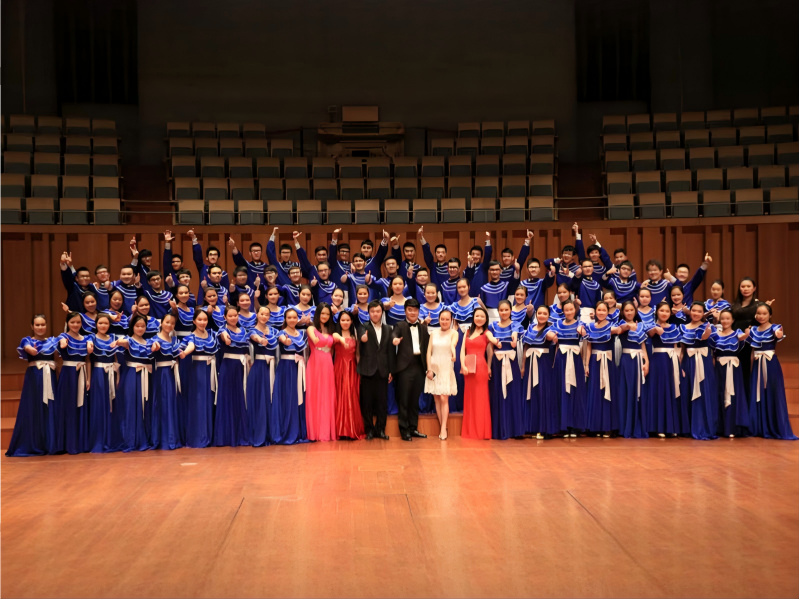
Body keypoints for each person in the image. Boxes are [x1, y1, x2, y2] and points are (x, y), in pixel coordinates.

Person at [6, 315, 58, 457]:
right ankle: (34, 443)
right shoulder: (27, 340)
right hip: (35, 377)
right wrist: (31, 350)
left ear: (46, 325)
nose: (40, 327)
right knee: (34, 408)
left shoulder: (52, 341)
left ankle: (50, 443)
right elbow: (29, 349)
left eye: (43, 324)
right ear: (32, 326)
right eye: (37, 325)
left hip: (50, 376)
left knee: (50, 407)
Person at [747, 303, 796, 440]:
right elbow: (751, 350)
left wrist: (778, 335)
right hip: (757, 364)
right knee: (757, 393)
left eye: (764, 313)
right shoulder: (753, 330)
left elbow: (779, 335)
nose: (761, 316)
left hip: (770, 364)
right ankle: (758, 427)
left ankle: (775, 426)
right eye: (759, 313)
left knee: (772, 393)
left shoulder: (776, 327)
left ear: (770, 315)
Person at [109, 315, 152, 452]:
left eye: (143, 326)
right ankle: (131, 439)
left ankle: (143, 437)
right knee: (131, 406)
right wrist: (117, 342)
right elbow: (123, 342)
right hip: (132, 376)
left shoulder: (148, 342)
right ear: (132, 327)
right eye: (137, 326)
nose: (140, 328)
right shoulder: (129, 340)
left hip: (146, 375)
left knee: (144, 406)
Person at [178, 309, 218, 448]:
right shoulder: (191, 337)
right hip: (197, 371)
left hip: (210, 369)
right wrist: (185, 353)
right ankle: (198, 436)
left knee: (209, 401)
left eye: (205, 319)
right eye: (199, 320)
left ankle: (209, 435)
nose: (202, 322)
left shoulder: (212, 334)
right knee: (199, 401)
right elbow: (190, 347)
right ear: (194, 321)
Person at [53, 312, 92, 454]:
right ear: (67, 323)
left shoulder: (86, 338)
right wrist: (63, 344)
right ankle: (67, 443)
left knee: (81, 406)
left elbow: (87, 360)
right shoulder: (62, 337)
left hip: (82, 373)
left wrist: (88, 379)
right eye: (72, 322)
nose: (75, 325)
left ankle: (80, 443)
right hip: (68, 374)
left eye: (78, 322)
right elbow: (58, 353)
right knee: (68, 407)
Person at [392, 299, 430, 441]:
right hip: (404, 368)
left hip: (419, 366)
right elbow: (394, 334)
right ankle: (404, 430)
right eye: (410, 310)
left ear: (419, 311)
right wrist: (395, 340)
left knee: (415, 399)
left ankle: (413, 428)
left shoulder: (423, 328)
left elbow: (428, 347)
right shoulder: (400, 325)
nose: (413, 312)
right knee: (404, 399)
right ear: (405, 311)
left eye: (415, 310)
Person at [486, 300, 525, 440]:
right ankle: (500, 430)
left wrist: (514, 335)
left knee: (513, 394)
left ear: (511, 311)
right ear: (498, 311)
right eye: (501, 310)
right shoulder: (492, 326)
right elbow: (490, 347)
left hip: (512, 363)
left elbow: (516, 332)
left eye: (506, 310)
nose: (503, 312)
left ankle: (515, 430)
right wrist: (488, 366)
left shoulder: (516, 325)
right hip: (497, 364)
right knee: (498, 395)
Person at [709, 309, 750, 438]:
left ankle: (732, 427)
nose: (725, 321)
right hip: (719, 368)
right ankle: (719, 427)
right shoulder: (715, 334)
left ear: (733, 320)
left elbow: (742, 337)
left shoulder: (737, 333)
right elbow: (712, 353)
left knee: (733, 395)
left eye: (728, 318)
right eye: (723, 318)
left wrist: (746, 335)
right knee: (718, 394)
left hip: (733, 368)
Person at [680, 303, 718, 440]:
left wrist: (706, 335)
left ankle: (704, 427)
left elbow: (714, 348)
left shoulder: (709, 327)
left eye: (699, 311)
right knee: (687, 391)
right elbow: (682, 350)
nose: (696, 313)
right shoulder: (683, 327)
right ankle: (688, 427)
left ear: (703, 313)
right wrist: (680, 366)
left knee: (704, 391)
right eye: (694, 310)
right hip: (688, 362)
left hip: (704, 362)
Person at [357, 300, 394, 440]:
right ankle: (369, 430)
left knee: (382, 403)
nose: (375, 314)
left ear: (382, 312)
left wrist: (390, 370)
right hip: (367, 370)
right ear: (368, 313)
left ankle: (380, 430)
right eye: (372, 311)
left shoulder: (388, 329)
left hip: (383, 370)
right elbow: (361, 338)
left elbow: (390, 352)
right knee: (366, 403)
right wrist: (363, 338)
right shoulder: (363, 327)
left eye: (378, 311)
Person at [584, 301, 621, 437]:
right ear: (595, 311)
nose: (601, 312)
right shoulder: (590, 326)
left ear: (607, 312)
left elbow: (622, 329)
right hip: (594, 361)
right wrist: (586, 364)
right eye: (599, 310)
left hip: (608, 361)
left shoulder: (612, 326)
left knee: (608, 391)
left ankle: (608, 426)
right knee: (594, 392)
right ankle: (594, 426)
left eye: (604, 310)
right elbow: (589, 347)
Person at [215, 305, 251, 447]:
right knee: (227, 398)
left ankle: (240, 433)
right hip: (228, 366)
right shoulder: (223, 330)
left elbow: (247, 350)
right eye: (230, 316)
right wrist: (226, 339)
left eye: (235, 315)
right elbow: (223, 336)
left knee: (240, 397)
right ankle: (226, 436)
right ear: (225, 317)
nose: (233, 318)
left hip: (241, 366)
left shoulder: (243, 331)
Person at [646, 302, 684, 438]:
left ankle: (671, 426)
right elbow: (650, 334)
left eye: (667, 311)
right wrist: (656, 329)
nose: (664, 313)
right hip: (658, 361)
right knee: (660, 391)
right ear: (657, 312)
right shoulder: (652, 326)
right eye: (661, 310)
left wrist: (680, 366)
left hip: (671, 361)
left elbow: (677, 347)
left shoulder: (674, 327)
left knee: (672, 390)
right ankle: (659, 426)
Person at [272, 308, 308, 444]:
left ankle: (298, 430)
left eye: (294, 317)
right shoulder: (282, 333)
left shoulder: (302, 333)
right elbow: (282, 339)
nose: (292, 320)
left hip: (298, 367)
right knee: (287, 398)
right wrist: (285, 341)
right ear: (285, 319)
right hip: (286, 368)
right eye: (289, 318)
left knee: (298, 397)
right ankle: (287, 430)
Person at [521, 306, 557, 439]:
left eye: (544, 313)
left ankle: (543, 427)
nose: (541, 315)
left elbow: (553, 338)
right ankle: (529, 426)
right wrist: (523, 366)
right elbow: (526, 347)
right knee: (530, 393)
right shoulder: (531, 328)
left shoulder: (550, 329)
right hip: (530, 362)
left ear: (548, 315)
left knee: (542, 393)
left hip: (543, 363)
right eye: (539, 313)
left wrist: (553, 337)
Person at [551, 300, 586, 437]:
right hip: (561, 359)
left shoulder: (580, 323)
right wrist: (552, 337)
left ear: (575, 310)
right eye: (566, 310)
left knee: (576, 391)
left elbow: (586, 337)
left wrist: (582, 331)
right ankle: (563, 425)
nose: (569, 312)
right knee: (561, 390)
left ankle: (575, 425)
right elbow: (550, 336)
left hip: (576, 359)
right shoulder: (557, 324)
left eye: (571, 309)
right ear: (563, 311)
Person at [85, 313, 118, 453]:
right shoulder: (91, 338)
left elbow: (116, 359)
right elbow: (87, 360)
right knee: (99, 405)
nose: (103, 326)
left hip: (111, 373)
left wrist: (118, 377)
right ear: (96, 324)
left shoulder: (113, 338)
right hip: (98, 373)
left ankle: (110, 439)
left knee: (111, 406)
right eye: (100, 323)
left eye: (106, 323)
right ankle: (98, 440)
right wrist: (88, 379)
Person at [150, 313, 183, 450]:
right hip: (161, 374)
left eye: (172, 323)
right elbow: (150, 352)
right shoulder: (154, 339)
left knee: (172, 402)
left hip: (172, 372)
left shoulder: (174, 340)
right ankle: (163, 438)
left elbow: (178, 356)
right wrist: (154, 348)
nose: (170, 325)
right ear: (161, 323)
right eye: (167, 322)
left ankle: (172, 436)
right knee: (162, 402)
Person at [617, 301, 649, 439]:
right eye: (626, 310)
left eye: (631, 310)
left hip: (639, 360)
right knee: (627, 391)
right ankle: (626, 426)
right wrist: (628, 326)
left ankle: (638, 425)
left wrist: (646, 361)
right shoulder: (621, 324)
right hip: (627, 360)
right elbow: (621, 329)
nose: (629, 312)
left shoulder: (641, 325)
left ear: (635, 311)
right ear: (623, 312)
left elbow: (643, 345)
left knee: (639, 392)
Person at [425, 309, 459, 440]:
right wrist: (429, 369)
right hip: (434, 367)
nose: (444, 321)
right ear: (439, 319)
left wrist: (454, 354)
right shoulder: (433, 333)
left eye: (447, 319)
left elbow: (453, 345)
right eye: (442, 319)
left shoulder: (454, 333)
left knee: (444, 398)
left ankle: (443, 427)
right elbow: (429, 352)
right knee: (437, 399)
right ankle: (442, 426)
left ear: (451, 320)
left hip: (446, 367)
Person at [460, 308, 493, 440]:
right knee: (469, 398)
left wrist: (489, 367)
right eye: (477, 316)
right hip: (468, 368)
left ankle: (481, 431)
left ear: (486, 319)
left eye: (482, 316)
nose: (479, 318)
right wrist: (463, 365)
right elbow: (462, 350)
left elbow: (490, 352)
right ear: (473, 317)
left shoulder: (487, 333)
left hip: (481, 368)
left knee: (481, 398)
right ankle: (470, 430)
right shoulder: (467, 332)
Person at [305, 304, 337, 442]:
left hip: (328, 363)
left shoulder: (331, 330)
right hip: (315, 363)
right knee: (315, 395)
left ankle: (326, 430)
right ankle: (315, 432)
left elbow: (333, 349)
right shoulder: (311, 328)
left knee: (327, 395)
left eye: (327, 314)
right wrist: (317, 339)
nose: (325, 316)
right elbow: (314, 339)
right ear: (318, 314)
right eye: (322, 313)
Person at [248, 305, 278, 447]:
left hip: (272, 366)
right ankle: (259, 432)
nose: (264, 316)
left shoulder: (274, 331)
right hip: (259, 367)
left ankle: (271, 432)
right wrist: (260, 340)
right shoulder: (252, 330)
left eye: (267, 314)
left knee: (271, 398)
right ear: (257, 315)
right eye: (262, 314)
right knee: (260, 399)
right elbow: (254, 337)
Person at [333, 310, 365, 440]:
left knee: (352, 396)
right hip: (339, 367)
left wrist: (360, 370)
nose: (345, 322)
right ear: (339, 322)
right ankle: (340, 430)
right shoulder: (335, 334)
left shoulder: (355, 334)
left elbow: (357, 354)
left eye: (347, 320)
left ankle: (352, 429)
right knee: (340, 397)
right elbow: (335, 337)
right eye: (343, 320)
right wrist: (341, 339)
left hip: (352, 368)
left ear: (351, 321)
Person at [730, 277, 763, 387]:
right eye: (743, 286)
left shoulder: (758, 305)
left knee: (747, 367)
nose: (745, 289)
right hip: (735, 339)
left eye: (748, 286)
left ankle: (747, 395)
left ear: (754, 288)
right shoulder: (734, 305)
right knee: (735, 367)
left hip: (750, 340)